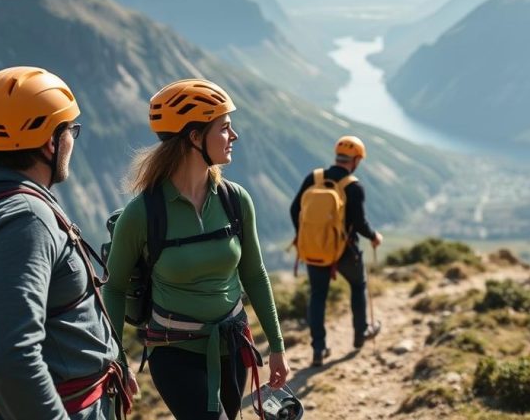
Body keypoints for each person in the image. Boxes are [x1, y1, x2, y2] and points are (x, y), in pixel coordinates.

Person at [0, 66, 134, 419]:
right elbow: (9, 356)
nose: (72, 141)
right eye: (70, 131)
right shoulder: (24, 220)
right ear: (51, 141)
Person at [103, 79, 290, 420]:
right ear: (194, 136)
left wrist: (276, 347)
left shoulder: (235, 200)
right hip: (174, 352)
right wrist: (117, 361)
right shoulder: (143, 213)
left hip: (233, 346)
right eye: (224, 128)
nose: (234, 137)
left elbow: (254, 274)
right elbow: (114, 289)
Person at [290, 135, 383, 367]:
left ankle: (318, 349)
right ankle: (360, 333)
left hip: (315, 250)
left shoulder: (314, 178)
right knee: (357, 285)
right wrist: (374, 236)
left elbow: (294, 209)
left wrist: (308, 238)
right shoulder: (353, 186)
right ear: (357, 159)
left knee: (318, 296)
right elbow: (359, 223)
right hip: (345, 251)